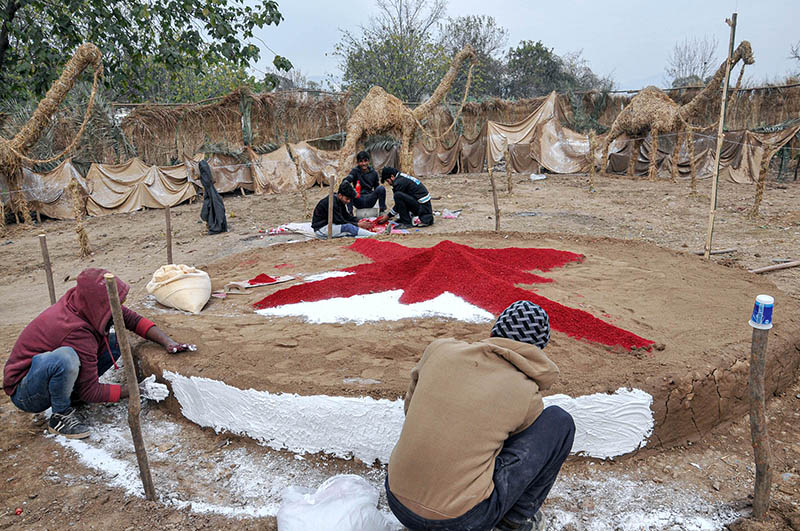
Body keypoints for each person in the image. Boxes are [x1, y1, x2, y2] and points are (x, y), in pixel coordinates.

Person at [385, 301, 575, 531]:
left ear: (496, 330)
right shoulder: (525, 392)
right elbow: (517, 450)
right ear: (537, 349)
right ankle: (514, 521)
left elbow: (411, 408)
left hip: (396, 499)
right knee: (559, 421)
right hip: (462, 521)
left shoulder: (440, 350)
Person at [3, 268, 195, 439]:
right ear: (99, 304)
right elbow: (91, 391)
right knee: (65, 359)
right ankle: (60, 416)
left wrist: (168, 343)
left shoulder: (85, 303)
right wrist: (137, 390)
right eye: (114, 304)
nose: (118, 308)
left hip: (42, 376)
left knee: (114, 343)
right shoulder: (76, 331)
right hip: (25, 391)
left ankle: (70, 394)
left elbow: (131, 320)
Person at [342, 150, 387, 215]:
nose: (363, 164)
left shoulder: (374, 173)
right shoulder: (355, 171)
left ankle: (382, 211)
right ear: (357, 163)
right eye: (361, 161)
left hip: (370, 199)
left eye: (365, 161)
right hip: (358, 199)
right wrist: (346, 182)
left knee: (381, 188)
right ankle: (350, 213)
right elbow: (348, 178)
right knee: (347, 187)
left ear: (368, 161)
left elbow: (377, 188)